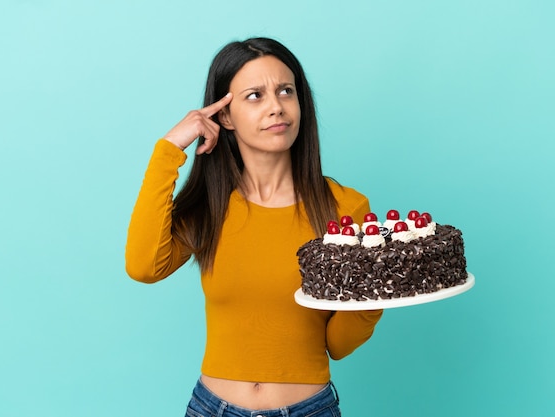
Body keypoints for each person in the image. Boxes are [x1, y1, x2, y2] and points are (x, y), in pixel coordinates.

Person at [125, 37, 383, 417]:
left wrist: (373, 292)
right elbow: (143, 266)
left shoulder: (345, 209)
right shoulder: (209, 207)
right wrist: (169, 149)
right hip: (213, 408)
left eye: (285, 91)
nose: (276, 107)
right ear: (225, 117)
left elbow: (339, 345)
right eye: (255, 96)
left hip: (309, 409)